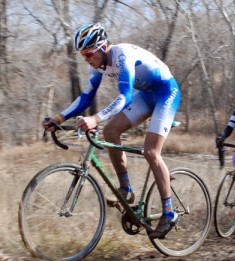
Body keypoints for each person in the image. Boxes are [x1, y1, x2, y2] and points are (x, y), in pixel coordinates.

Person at [42, 23, 180, 239]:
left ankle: (169, 213)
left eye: (88, 54)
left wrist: (95, 118)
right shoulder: (97, 66)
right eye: (83, 55)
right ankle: (126, 189)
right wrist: (59, 118)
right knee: (110, 132)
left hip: (166, 93)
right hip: (147, 95)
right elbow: (86, 97)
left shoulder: (122, 55)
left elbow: (125, 96)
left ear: (102, 47)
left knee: (151, 152)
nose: (87, 59)